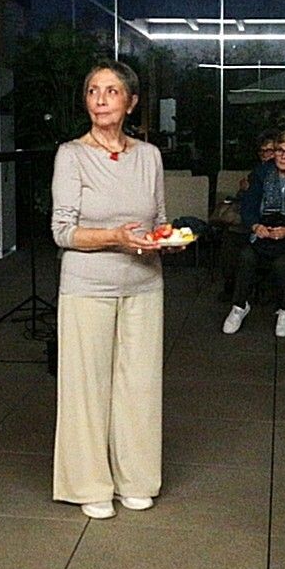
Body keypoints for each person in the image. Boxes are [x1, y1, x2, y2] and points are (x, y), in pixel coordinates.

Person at [51, 60, 168, 521]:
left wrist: (165, 239)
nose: (100, 100)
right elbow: (63, 231)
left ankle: (136, 479)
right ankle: (90, 484)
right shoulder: (71, 155)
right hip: (87, 286)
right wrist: (115, 237)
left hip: (144, 283)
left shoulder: (149, 156)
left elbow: (158, 221)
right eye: (93, 91)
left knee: (140, 386)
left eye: (111, 91)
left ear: (131, 102)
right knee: (87, 388)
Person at [222, 130, 285, 337]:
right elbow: (248, 207)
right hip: (266, 228)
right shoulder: (261, 173)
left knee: (282, 262)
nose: (283, 156)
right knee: (246, 255)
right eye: (279, 150)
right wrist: (255, 226)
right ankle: (239, 306)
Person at [215, 129, 279, 301]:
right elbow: (243, 201)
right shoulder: (257, 172)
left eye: (269, 151)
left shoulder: (284, 173)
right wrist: (244, 191)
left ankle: (256, 285)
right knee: (230, 235)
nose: (265, 155)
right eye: (262, 151)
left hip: (274, 221)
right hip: (252, 218)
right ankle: (233, 285)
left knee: (239, 236)